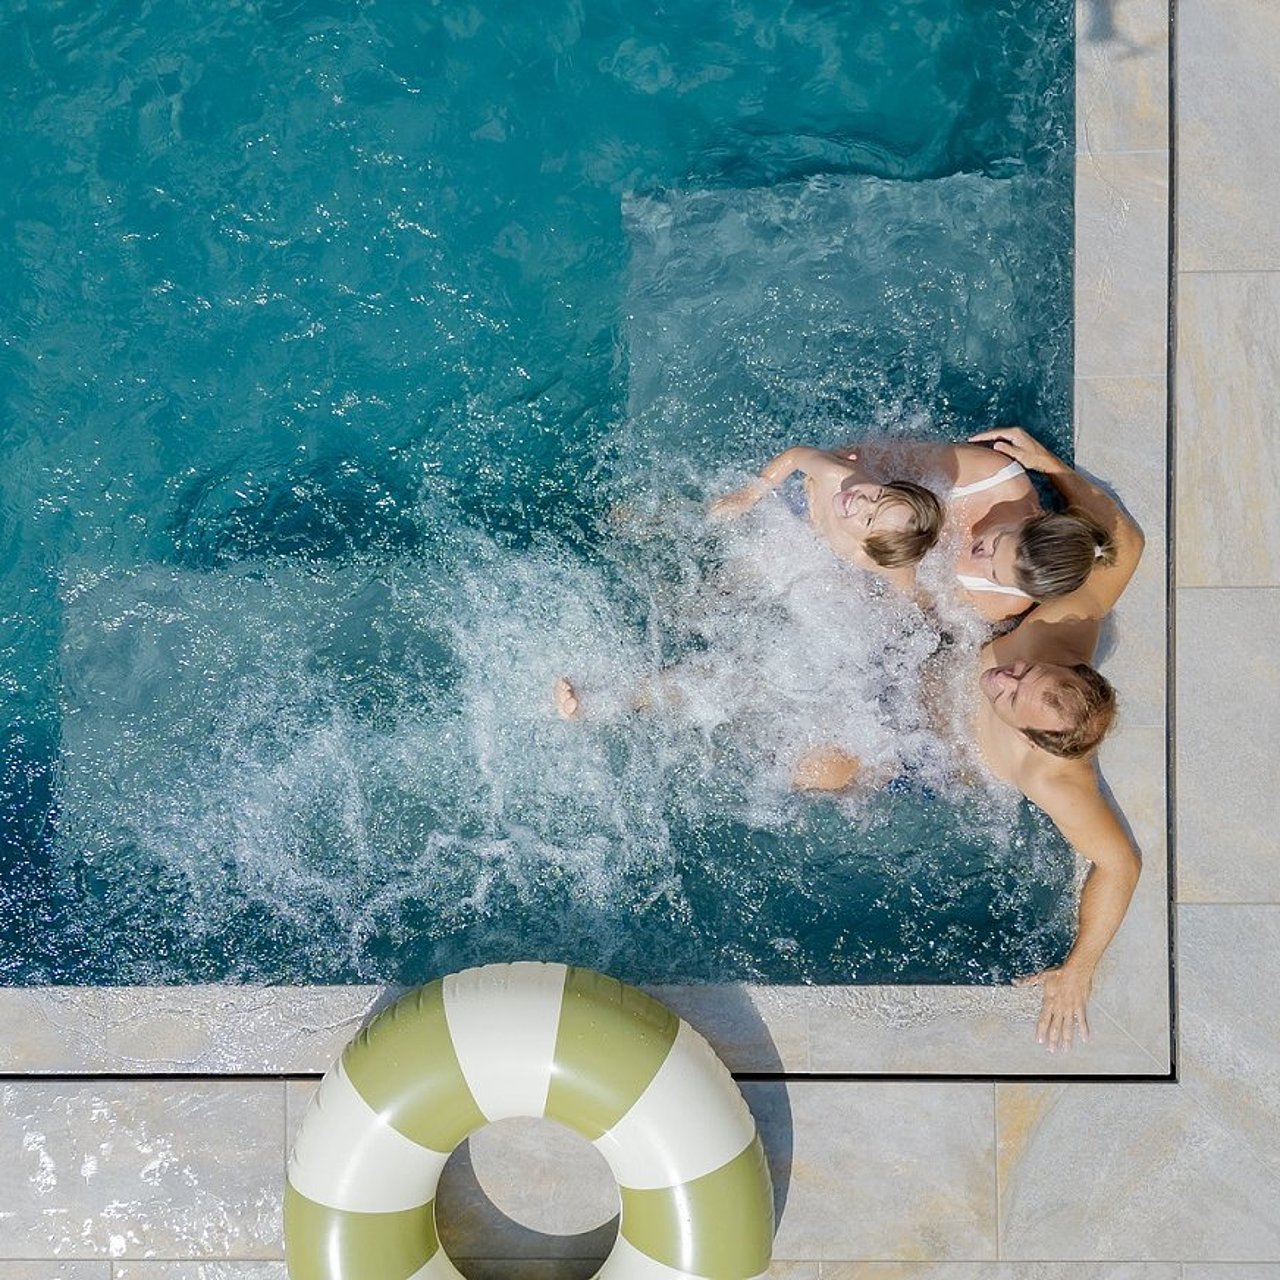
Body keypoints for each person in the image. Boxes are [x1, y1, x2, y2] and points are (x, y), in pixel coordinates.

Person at [802, 428, 1145, 1050]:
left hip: (915, 751)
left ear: (1035, 741)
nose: (1004, 676)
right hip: (913, 660)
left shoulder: (1056, 777)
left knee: (812, 771)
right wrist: (1054, 468)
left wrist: (1080, 967)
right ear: (1068, 664)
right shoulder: (1067, 628)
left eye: (1011, 697)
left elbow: (1120, 864)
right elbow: (1127, 544)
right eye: (1024, 670)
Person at [715, 439, 1116, 621]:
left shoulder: (1003, 602)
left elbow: (919, 609)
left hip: (861, 561)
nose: (982, 556)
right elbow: (875, 459)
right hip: (840, 509)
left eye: (993, 571)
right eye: (996, 544)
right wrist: (833, 494)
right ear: (1035, 518)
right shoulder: (986, 476)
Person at [709, 446, 944, 594]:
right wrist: (748, 495)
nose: (861, 500)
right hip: (803, 505)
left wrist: (897, 609)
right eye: (879, 495)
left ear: (867, 545)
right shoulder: (837, 477)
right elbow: (795, 456)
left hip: (819, 542)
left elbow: (903, 583)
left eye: (869, 519)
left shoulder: (864, 556)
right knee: (736, 567)